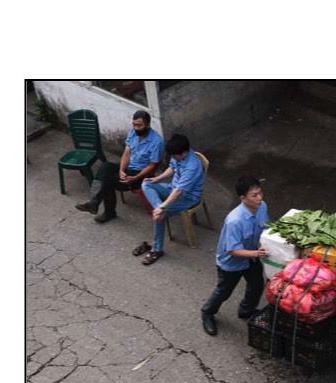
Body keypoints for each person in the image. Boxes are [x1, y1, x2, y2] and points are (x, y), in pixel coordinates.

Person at [201, 176, 269, 336]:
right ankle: (207, 312)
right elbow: (232, 250)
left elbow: (266, 227)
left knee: (257, 284)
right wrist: (256, 253)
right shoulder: (235, 220)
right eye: (254, 195)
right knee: (224, 291)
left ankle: (246, 310)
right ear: (242, 198)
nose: (259, 198)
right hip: (232, 262)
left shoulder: (262, 207)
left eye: (260, 193)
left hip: (252, 256)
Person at [75, 110, 163, 223]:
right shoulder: (133, 132)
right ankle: (94, 202)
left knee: (107, 181)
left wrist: (135, 178)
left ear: (147, 124)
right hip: (128, 167)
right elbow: (127, 153)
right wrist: (121, 169)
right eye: (134, 124)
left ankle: (107, 212)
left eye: (139, 125)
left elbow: (153, 165)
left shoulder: (156, 141)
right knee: (105, 167)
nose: (136, 128)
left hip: (140, 174)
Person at [135, 134, 206, 265]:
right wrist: (157, 179)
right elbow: (171, 169)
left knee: (159, 216)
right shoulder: (178, 155)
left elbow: (179, 192)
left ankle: (157, 249)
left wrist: (162, 208)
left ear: (184, 152)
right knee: (146, 184)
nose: (173, 158)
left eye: (175, 156)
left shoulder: (192, 166)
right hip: (172, 188)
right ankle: (158, 208)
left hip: (188, 197)